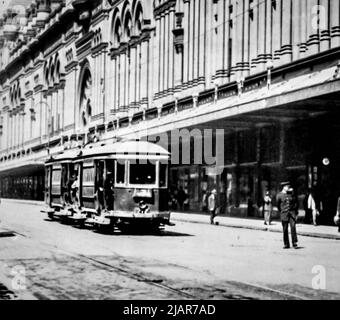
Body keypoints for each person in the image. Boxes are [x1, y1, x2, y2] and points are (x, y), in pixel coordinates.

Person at [277, 182, 299, 249]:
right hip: (284, 214)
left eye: (289, 187)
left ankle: (294, 242)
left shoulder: (291, 194)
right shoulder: (279, 195)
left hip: (292, 213)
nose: (288, 188)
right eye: (287, 187)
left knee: (293, 227)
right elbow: (278, 205)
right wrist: (282, 211)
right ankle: (286, 244)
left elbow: (295, 202)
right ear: (284, 187)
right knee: (285, 229)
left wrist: (295, 211)